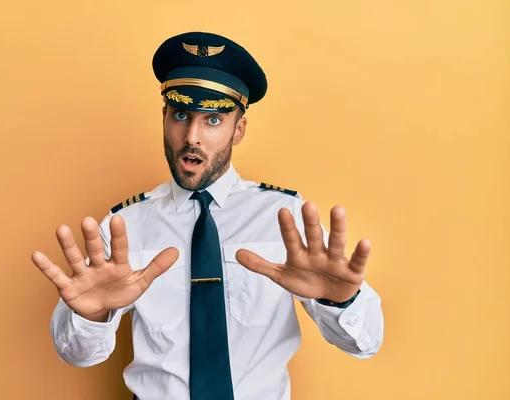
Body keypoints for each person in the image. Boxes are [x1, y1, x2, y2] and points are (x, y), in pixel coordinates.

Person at [31, 31, 384, 400]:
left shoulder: (286, 219)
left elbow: (366, 343)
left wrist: (340, 302)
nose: (191, 137)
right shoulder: (125, 227)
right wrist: (92, 316)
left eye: (213, 120)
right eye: (181, 114)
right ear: (164, 118)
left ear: (239, 130)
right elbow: (76, 354)